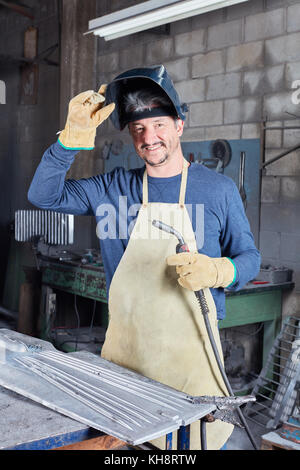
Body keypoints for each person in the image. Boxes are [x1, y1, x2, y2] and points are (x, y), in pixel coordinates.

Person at [28, 65, 261, 450]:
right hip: (127, 360)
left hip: (193, 365)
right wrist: (70, 141)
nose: (149, 137)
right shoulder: (111, 187)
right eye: (138, 129)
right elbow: (43, 196)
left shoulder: (218, 189)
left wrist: (221, 269)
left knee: (188, 446)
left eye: (159, 125)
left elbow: (249, 256)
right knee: (126, 446)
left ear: (179, 125)